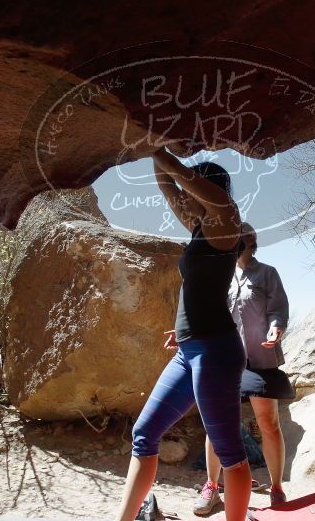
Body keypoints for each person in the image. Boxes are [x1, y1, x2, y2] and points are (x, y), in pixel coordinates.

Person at [114, 148, 251, 521]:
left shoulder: (226, 218)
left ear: (205, 189)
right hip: (190, 349)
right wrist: (153, 151)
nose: (182, 200)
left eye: (190, 192)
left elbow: (175, 173)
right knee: (144, 434)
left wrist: (163, 149)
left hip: (216, 352)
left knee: (229, 452)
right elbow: (165, 182)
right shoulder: (199, 229)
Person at [193, 222, 294, 515]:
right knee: (217, 425)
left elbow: (278, 308)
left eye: (248, 237)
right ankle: (212, 487)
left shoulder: (267, 274)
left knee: (269, 424)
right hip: (226, 360)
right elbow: (209, 315)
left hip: (261, 360)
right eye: (238, 236)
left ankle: (276, 489)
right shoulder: (221, 276)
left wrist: (276, 329)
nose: (244, 242)